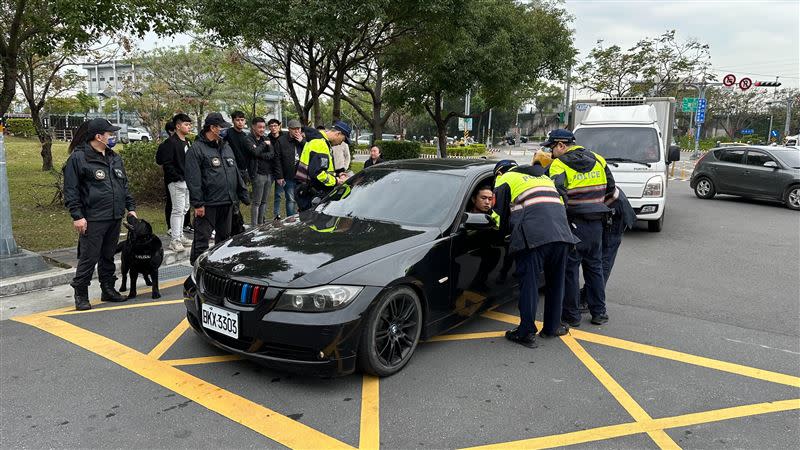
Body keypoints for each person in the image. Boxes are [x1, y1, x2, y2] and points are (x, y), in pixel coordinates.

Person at [492, 159, 577, 348]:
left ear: (499, 173)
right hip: (562, 234)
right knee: (555, 282)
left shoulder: (505, 178)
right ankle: (552, 327)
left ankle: (526, 332)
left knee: (529, 284)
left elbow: (498, 214)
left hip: (533, 237)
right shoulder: (544, 178)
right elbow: (561, 204)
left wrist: (502, 234)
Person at [63, 118, 137, 311]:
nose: (112, 137)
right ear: (98, 136)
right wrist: (77, 216)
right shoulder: (79, 158)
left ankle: (108, 288)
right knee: (89, 256)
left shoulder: (114, 157)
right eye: (110, 134)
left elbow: (124, 185)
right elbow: (71, 190)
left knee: (108, 255)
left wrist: (131, 207)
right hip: (93, 217)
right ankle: (81, 293)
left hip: (114, 215)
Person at [544, 128, 615, 327]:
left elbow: (555, 194)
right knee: (595, 268)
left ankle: (572, 316)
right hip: (597, 224)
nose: (550, 153)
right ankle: (599, 313)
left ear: (561, 145)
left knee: (570, 270)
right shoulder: (599, 159)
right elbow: (611, 188)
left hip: (573, 223)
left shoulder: (558, 165)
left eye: (551, 147)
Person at [185, 113, 250, 264]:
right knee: (202, 239)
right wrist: (198, 203)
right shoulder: (197, 149)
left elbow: (234, 171)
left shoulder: (226, 147)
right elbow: (193, 179)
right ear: (212, 128)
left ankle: (219, 266)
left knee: (224, 239)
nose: (224, 130)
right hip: (208, 204)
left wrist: (242, 193)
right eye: (221, 127)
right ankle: (197, 269)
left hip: (227, 201)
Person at [154, 114, 194, 252]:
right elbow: (167, 163)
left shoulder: (187, 142)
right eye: (186, 124)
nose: (188, 127)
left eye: (190, 125)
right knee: (177, 210)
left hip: (188, 181)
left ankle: (180, 235)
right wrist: (177, 177)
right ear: (178, 126)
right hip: (177, 181)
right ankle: (175, 240)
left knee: (185, 208)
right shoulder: (170, 143)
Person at [295, 120, 352, 212]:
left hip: (306, 191)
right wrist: (337, 181)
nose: (341, 143)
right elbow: (318, 174)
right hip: (312, 193)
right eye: (343, 139)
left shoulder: (319, 140)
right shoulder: (320, 144)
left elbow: (321, 169)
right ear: (338, 134)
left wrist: (337, 175)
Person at [246, 117, 275, 226]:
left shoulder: (266, 137)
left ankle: (261, 224)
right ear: (253, 127)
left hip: (268, 174)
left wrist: (260, 153)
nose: (262, 129)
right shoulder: (248, 139)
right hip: (258, 174)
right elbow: (254, 153)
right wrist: (263, 145)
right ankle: (254, 226)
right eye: (260, 127)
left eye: (263, 127)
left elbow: (272, 154)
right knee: (257, 202)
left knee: (264, 202)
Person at [273, 119, 304, 219]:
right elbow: (277, 160)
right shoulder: (281, 141)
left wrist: (302, 142)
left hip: (302, 176)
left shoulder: (304, 140)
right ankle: (290, 219)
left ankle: (301, 219)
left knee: (302, 199)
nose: (297, 131)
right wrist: (279, 176)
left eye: (298, 128)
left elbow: (311, 153)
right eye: (294, 129)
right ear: (289, 129)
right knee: (290, 199)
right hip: (288, 175)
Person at [225, 111, 252, 183]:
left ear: (245, 121)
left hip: (244, 169)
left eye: (242, 120)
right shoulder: (228, 133)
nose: (240, 122)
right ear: (233, 121)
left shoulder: (245, 135)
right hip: (231, 168)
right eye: (237, 120)